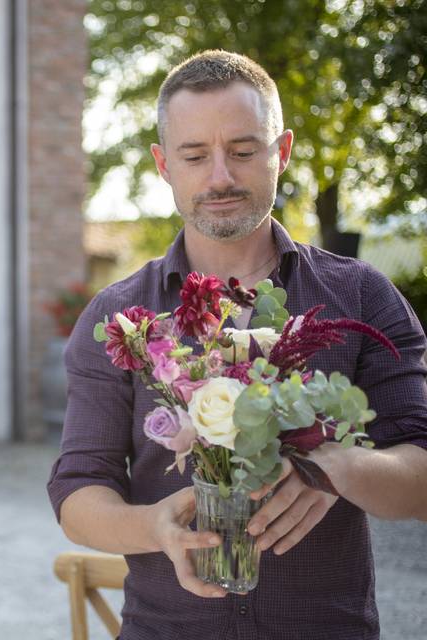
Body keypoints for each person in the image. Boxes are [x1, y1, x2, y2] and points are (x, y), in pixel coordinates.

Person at [47, 49, 427, 639]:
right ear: (163, 164)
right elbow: (78, 491)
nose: (220, 176)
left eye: (244, 151)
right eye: (195, 155)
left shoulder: (362, 299)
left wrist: (338, 467)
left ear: (283, 151)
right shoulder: (119, 316)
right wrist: (155, 528)